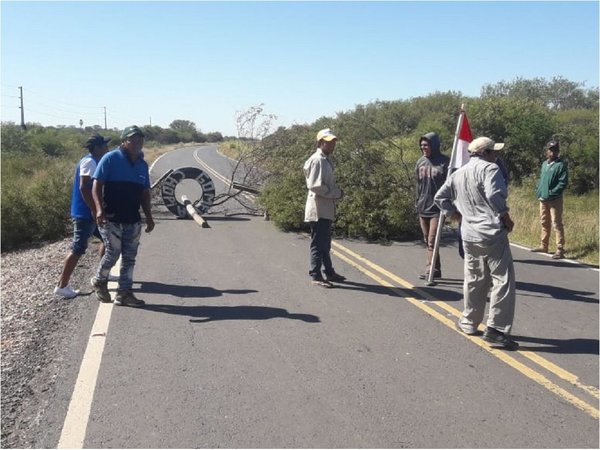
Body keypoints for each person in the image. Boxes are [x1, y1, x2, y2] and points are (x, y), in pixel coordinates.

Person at [434, 137, 518, 350]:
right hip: (491, 233)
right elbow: (494, 194)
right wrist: (505, 217)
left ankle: (469, 321)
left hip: (469, 233)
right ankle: (496, 329)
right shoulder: (490, 169)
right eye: (494, 152)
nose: (496, 155)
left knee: (474, 278)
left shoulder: (458, 173)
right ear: (487, 152)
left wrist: (454, 213)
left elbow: (440, 197)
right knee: (502, 279)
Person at [91, 125, 155, 306]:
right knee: (113, 252)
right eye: (132, 140)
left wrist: (148, 216)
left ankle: (124, 293)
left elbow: (144, 194)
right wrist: (99, 209)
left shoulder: (142, 165)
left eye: (140, 140)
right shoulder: (110, 158)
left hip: (132, 218)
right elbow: (96, 185)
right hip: (110, 216)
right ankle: (99, 280)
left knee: (129, 257)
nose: (137, 143)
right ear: (124, 141)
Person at [54, 134, 111, 298]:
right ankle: (62, 286)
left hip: (90, 212)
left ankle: (102, 275)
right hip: (84, 214)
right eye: (105, 146)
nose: (108, 148)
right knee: (78, 248)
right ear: (98, 147)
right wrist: (95, 210)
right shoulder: (89, 161)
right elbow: (84, 188)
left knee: (108, 240)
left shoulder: (95, 161)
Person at [303, 128, 346, 288]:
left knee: (325, 243)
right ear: (320, 143)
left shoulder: (325, 159)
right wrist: (335, 193)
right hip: (318, 208)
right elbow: (315, 185)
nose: (332, 145)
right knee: (318, 243)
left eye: (333, 142)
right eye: (328, 142)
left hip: (325, 208)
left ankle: (329, 272)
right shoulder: (318, 160)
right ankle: (315, 274)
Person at [415, 132, 449, 279]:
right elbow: (417, 185)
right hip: (423, 206)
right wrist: (416, 202)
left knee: (432, 240)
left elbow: (451, 184)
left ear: (434, 145)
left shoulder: (445, 162)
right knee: (426, 240)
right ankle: (436, 269)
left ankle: (430, 269)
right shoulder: (420, 162)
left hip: (438, 208)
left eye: (427, 145)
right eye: (422, 145)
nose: (424, 147)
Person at [531, 140, 568, 259]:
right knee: (544, 222)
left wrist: (553, 192)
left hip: (554, 199)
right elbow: (542, 179)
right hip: (543, 198)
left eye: (555, 150)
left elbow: (563, 182)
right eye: (551, 150)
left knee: (556, 223)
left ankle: (560, 249)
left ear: (558, 152)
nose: (553, 152)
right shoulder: (544, 164)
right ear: (547, 151)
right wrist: (539, 190)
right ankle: (544, 245)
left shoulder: (560, 165)